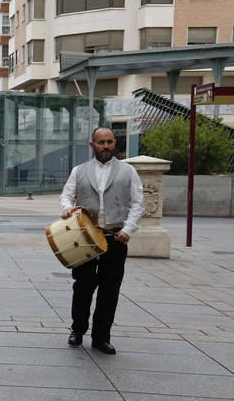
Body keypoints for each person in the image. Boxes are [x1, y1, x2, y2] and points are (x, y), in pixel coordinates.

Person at [60, 127, 144, 355]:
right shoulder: (79, 171)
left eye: (109, 142)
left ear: (114, 143)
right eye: (101, 142)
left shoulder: (128, 171)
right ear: (92, 145)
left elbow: (138, 203)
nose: (105, 146)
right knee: (82, 287)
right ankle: (77, 330)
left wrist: (128, 228)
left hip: (116, 238)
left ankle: (101, 337)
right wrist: (67, 209)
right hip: (86, 237)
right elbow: (67, 195)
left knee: (110, 290)